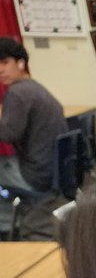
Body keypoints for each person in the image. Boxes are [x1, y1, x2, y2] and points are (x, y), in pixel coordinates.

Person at [0, 36, 67, 195]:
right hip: (57, 169)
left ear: (20, 62)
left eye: (4, 62)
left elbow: (9, 134)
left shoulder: (17, 92)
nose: (0, 70)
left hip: (36, 174)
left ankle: (8, 218)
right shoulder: (35, 88)